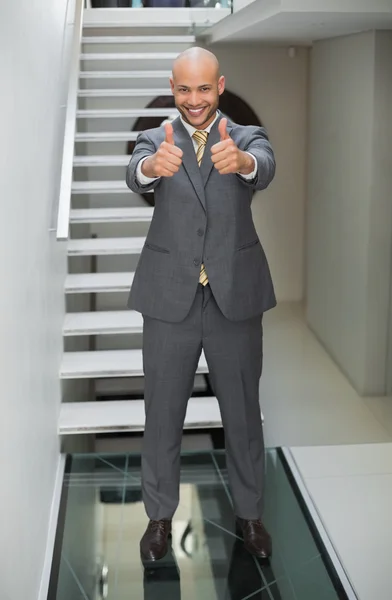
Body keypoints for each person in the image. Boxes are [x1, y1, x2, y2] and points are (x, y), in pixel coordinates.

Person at [126, 47, 276, 562]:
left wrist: (245, 161)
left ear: (220, 86)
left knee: (243, 415)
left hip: (235, 298)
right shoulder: (156, 138)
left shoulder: (244, 137)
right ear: (174, 88)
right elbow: (135, 170)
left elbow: (265, 165)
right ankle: (159, 519)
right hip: (171, 299)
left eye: (204, 88)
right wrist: (150, 167)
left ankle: (251, 515)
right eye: (185, 89)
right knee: (162, 415)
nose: (194, 99)